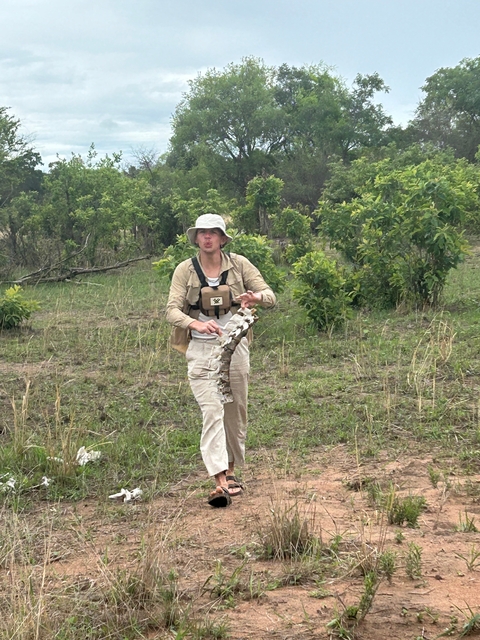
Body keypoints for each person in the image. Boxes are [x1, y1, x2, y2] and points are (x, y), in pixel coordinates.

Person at [166, 214, 276, 507]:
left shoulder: (239, 264)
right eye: (203, 232)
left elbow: (270, 295)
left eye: (214, 232)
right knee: (212, 409)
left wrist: (255, 298)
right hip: (201, 350)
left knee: (234, 411)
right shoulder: (184, 270)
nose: (208, 237)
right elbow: (171, 311)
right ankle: (218, 482)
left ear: (223, 239)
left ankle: (230, 470)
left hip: (235, 346)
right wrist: (195, 324)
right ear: (196, 238)